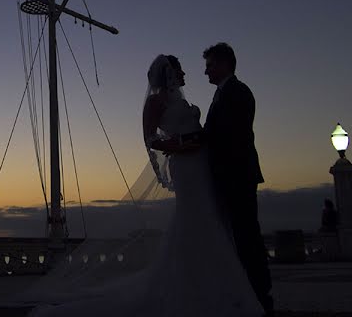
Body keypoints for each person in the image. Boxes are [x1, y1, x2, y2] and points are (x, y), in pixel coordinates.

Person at [23, 54, 264, 317]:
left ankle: (218, 284)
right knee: (195, 218)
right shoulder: (154, 102)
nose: (185, 74)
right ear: (168, 74)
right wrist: (181, 146)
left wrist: (199, 143)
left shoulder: (181, 100)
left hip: (203, 166)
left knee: (211, 220)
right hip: (185, 166)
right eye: (179, 70)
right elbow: (151, 139)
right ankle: (195, 287)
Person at [202, 43, 274, 316]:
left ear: (222, 65)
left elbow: (230, 137)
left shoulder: (237, 93)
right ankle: (247, 290)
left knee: (247, 235)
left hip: (237, 175)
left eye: (209, 65)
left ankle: (260, 294)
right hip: (229, 175)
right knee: (240, 235)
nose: (206, 72)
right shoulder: (223, 94)